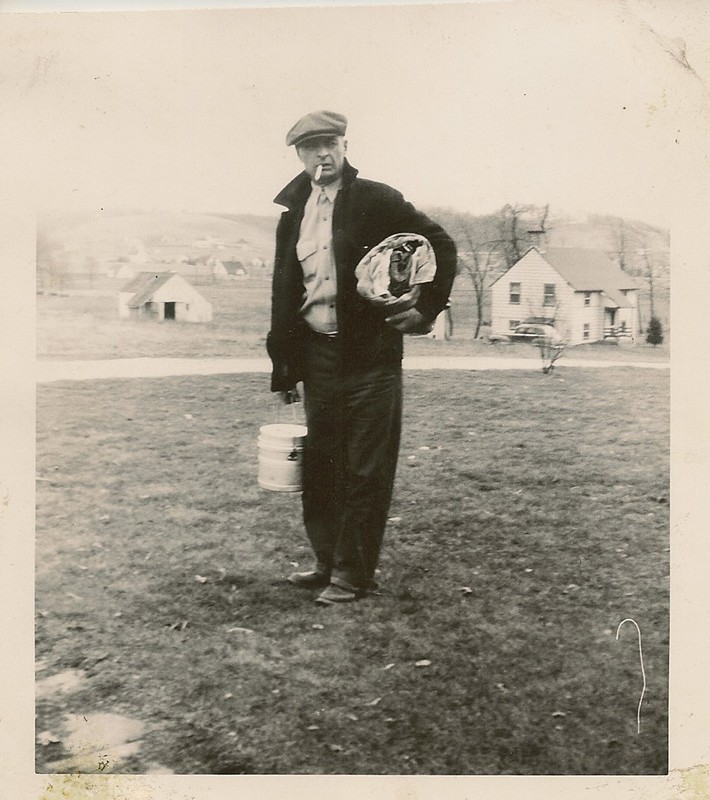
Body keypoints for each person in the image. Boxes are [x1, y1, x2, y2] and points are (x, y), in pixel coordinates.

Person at [267, 110, 457, 605]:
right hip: (317, 358)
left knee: (366, 470)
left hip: (371, 360)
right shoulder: (292, 216)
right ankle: (327, 562)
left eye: (329, 144)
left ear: (345, 145)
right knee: (322, 467)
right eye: (311, 148)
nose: (322, 155)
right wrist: (284, 362)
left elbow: (439, 244)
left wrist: (427, 309)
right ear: (299, 155)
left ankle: (354, 575)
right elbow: (285, 292)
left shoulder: (378, 199)